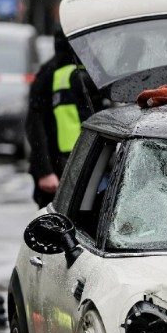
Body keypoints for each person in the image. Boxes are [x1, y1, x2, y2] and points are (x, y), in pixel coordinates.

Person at [27, 28, 101, 208]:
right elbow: (35, 123)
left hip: (82, 167)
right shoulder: (51, 74)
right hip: (60, 168)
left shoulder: (91, 70)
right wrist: (45, 170)